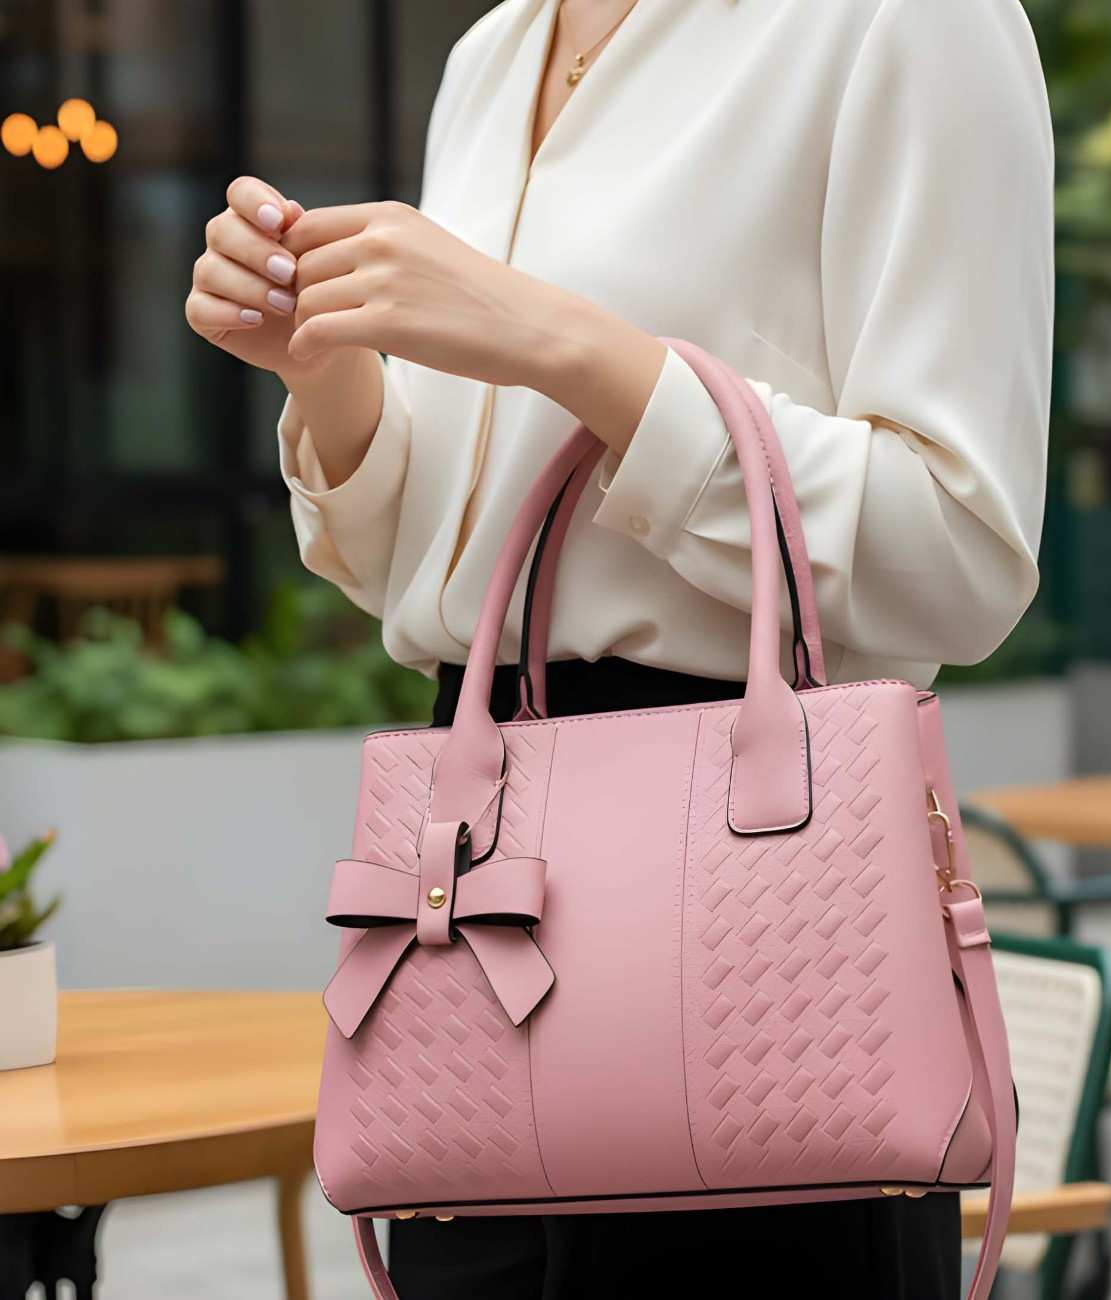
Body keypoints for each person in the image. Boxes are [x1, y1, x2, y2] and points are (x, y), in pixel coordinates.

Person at [185, 0, 1054, 1295]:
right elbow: (426, 568)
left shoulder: (903, 21)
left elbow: (960, 555)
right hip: (478, 870)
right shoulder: (490, 55)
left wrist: (569, 345)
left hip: (760, 875)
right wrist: (324, 371)